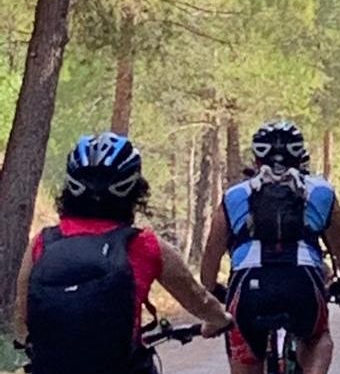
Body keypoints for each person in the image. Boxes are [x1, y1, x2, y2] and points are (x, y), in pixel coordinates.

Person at [14, 132, 232, 374]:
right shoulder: (144, 245)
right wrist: (220, 320)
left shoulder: (43, 243)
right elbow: (195, 297)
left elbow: (22, 313)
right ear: (134, 191)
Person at [201, 120, 340, 374]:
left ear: (255, 159)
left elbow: (211, 253)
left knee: (245, 353)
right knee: (318, 338)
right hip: (303, 284)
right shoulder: (321, 192)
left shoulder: (235, 195)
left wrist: (211, 290)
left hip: (248, 288)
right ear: (301, 157)